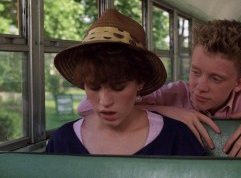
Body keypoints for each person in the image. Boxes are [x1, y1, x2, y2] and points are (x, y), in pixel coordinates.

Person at [77, 19, 241, 158]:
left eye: (216, 79)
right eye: (195, 72)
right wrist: (165, 111)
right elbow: (86, 108)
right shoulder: (172, 95)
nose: (199, 87)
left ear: (239, 83)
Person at [45, 9, 206, 156]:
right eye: (93, 87)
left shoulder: (176, 138)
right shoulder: (62, 141)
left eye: (118, 87)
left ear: (140, 82)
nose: (105, 101)